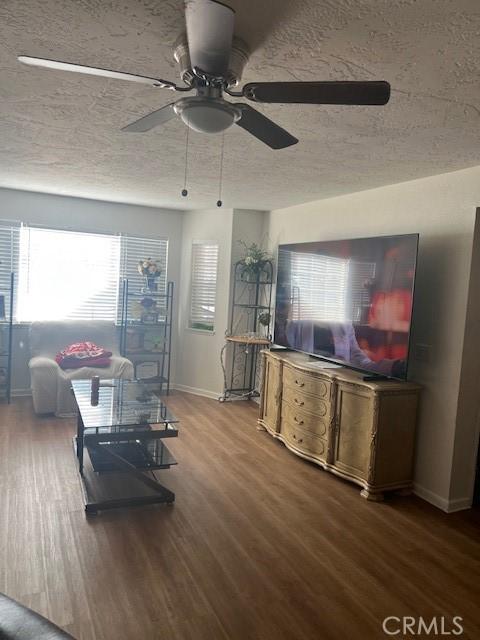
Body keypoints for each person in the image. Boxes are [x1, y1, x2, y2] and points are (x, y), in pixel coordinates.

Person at [285, 320, 405, 377]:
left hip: (339, 380)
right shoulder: (296, 326)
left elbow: (361, 361)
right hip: (309, 376)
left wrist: (393, 367)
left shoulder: (345, 326)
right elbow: (291, 357)